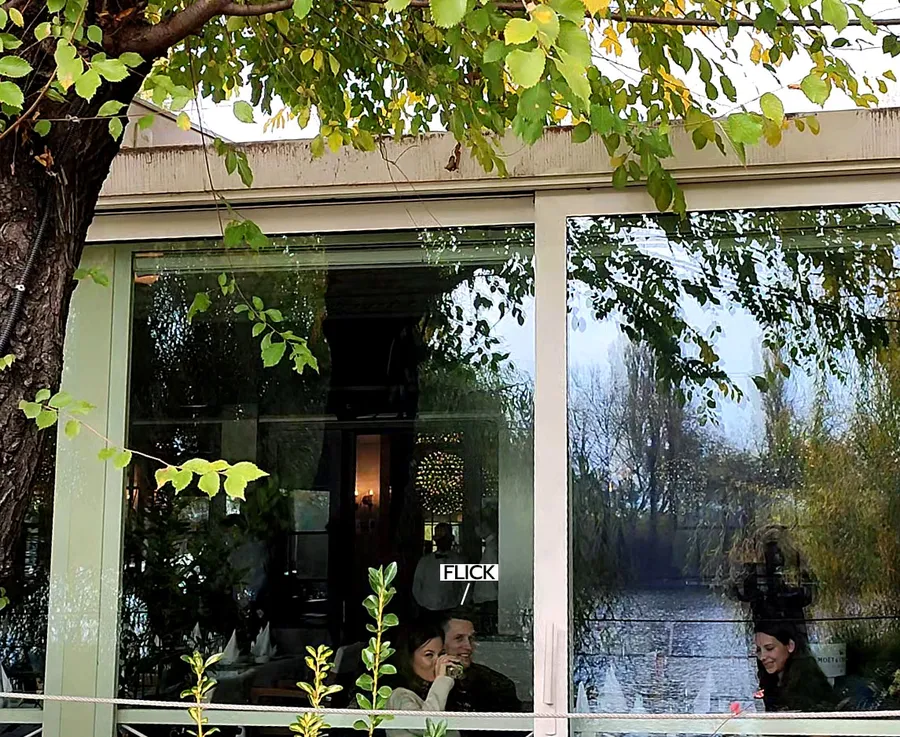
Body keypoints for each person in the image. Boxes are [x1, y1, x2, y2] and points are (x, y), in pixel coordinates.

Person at [386, 622, 462, 737]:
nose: (437, 662)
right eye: (429, 655)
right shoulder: (399, 695)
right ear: (409, 659)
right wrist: (442, 681)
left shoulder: (439, 692)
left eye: (441, 654)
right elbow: (426, 726)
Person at [439, 610, 522, 713]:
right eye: (459, 638)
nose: (468, 647)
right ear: (440, 643)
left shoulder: (497, 685)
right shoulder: (425, 683)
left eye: (471, 638)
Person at [755, 621, 837, 712]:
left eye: (769, 648)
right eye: (758, 650)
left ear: (790, 645)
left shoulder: (809, 685)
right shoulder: (767, 682)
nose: (762, 657)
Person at [412, 523, 465, 615]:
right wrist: (423, 604)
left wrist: (460, 604)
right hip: (428, 610)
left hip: (451, 609)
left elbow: (465, 586)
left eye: (445, 537)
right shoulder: (425, 561)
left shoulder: (459, 561)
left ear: (451, 538)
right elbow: (417, 585)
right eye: (439, 537)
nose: (442, 540)